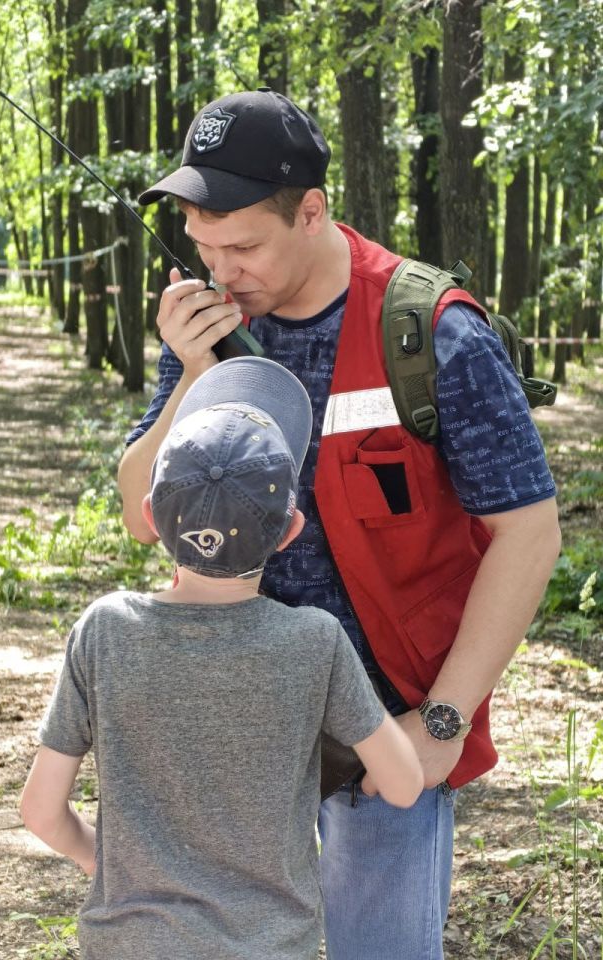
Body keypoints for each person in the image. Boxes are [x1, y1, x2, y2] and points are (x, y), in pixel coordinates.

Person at [117, 88, 562, 960]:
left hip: (385, 732)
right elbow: (143, 514)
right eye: (203, 247)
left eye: (242, 245)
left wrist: (441, 727)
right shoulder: (213, 326)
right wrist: (189, 374)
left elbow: (530, 532)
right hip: (239, 719)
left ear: (311, 211)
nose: (220, 269)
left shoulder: (432, 332)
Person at [20, 355, 424, 960]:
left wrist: (97, 860)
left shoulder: (105, 630)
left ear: (153, 518)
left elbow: (40, 811)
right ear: (289, 531)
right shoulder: (315, 641)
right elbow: (402, 783)